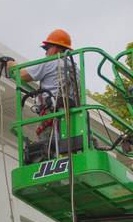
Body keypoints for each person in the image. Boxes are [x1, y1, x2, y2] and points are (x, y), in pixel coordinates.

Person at [7, 29, 80, 161]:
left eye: (47, 48)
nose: (46, 52)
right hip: (72, 120)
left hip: (53, 118)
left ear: (56, 48)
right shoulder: (76, 69)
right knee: (66, 150)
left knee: (48, 152)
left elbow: (22, 75)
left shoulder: (50, 62)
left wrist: (11, 64)